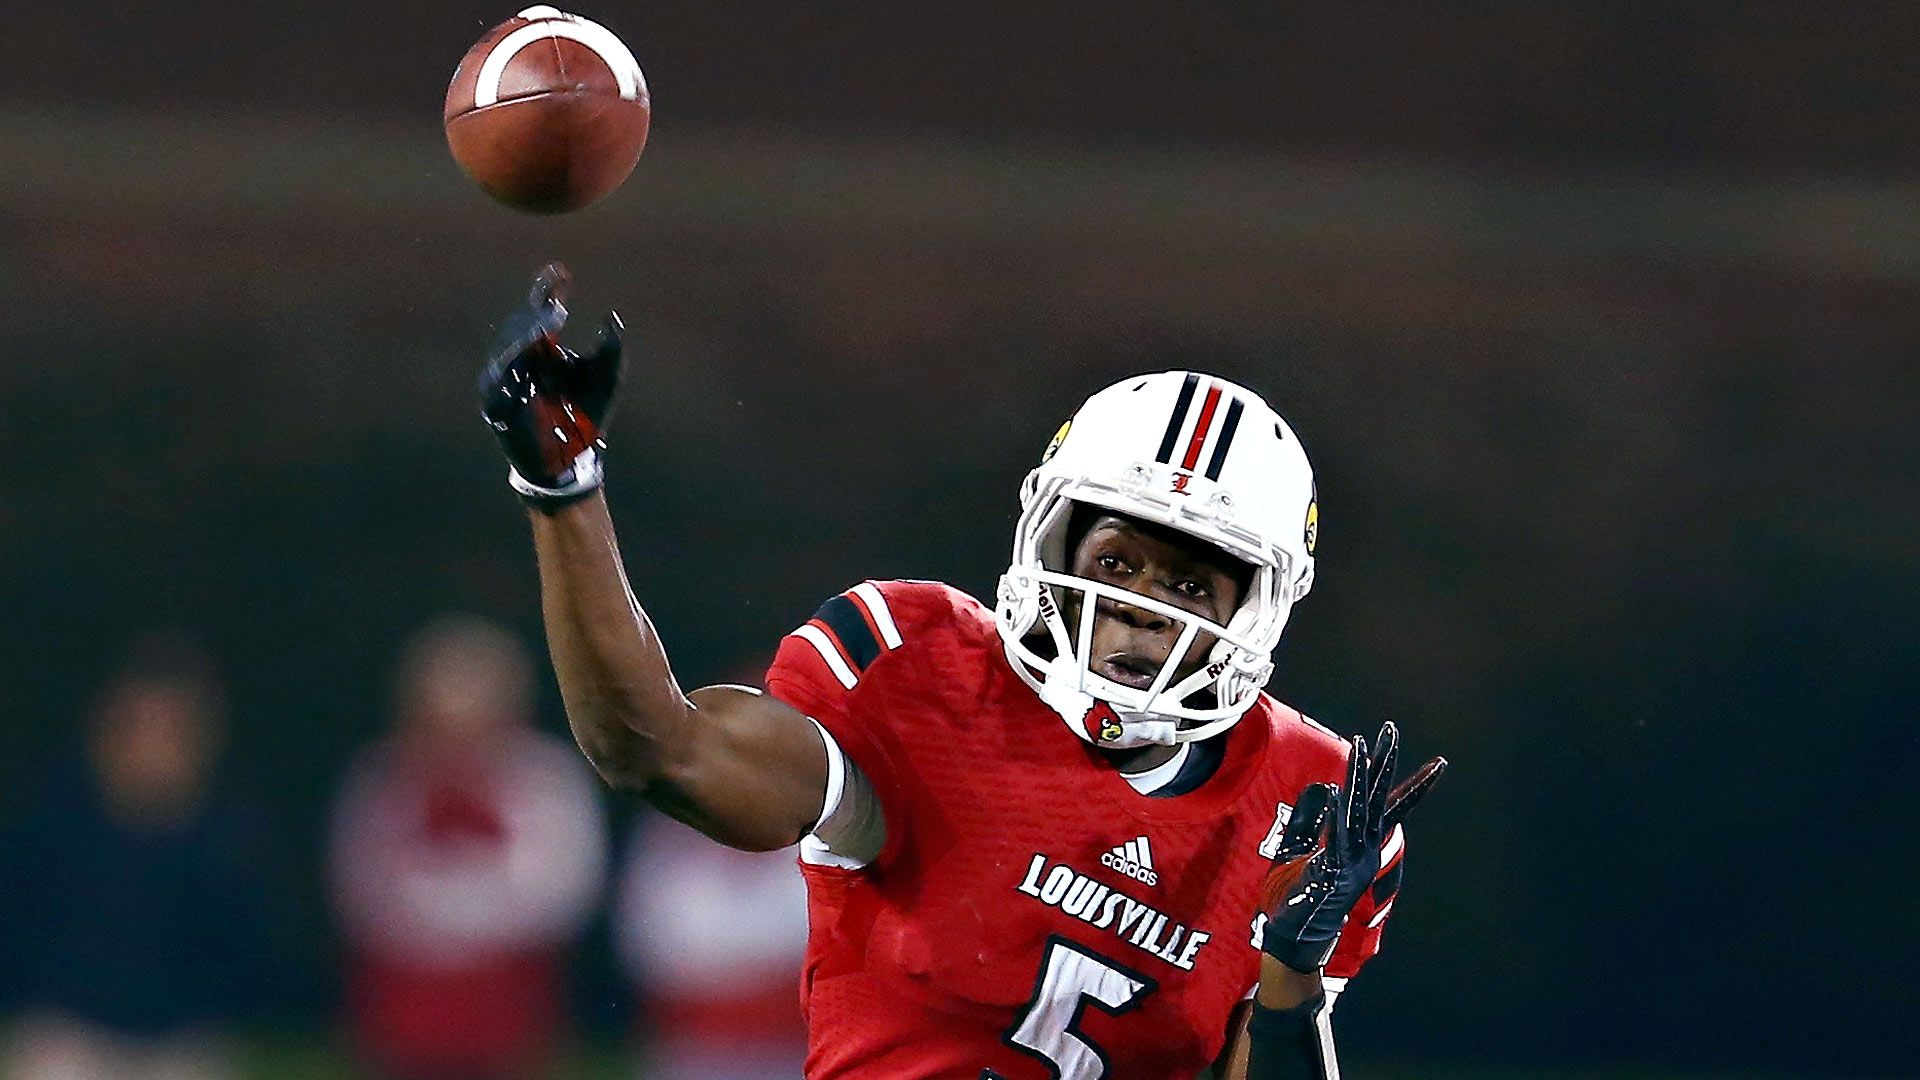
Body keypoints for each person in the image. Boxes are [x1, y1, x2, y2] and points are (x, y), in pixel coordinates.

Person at [475, 264, 1446, 1079]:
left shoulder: (1305, 803)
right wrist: (563, 490)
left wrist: (1291, 974)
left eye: (1190, 582)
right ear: (1051, 542)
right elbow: (659, 752)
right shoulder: (920, 670)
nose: (1142, 607)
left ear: (1256, 607)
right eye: (1115, 562)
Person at [328, 615, 608, 1080]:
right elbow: (364, 895)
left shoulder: (546, 781)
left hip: (511, 1011)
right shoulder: (380, 781)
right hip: (403, 1012)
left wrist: (456, 906)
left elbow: (563, 893)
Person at [0, 634, 286, 1080]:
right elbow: (21, 920)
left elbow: (252, 951)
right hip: (69, 1032)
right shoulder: (55, 811)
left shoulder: (228, 832)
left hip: (181, 1039)